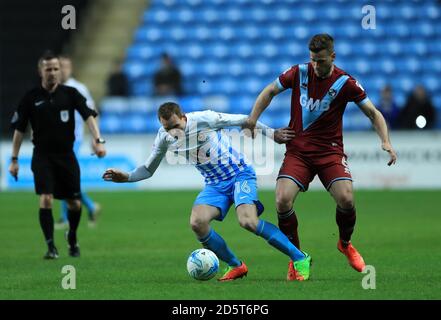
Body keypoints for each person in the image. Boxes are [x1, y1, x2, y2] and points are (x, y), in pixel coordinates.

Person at [243, 34, 397, 277]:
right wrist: (252, 119)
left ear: (332, 57)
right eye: (313, 60)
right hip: (298, 152)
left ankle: (345, 244)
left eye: (321, 61)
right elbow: (269, 91)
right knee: (282, 200)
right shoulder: (298, 72)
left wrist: (386, 141)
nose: (316, 65)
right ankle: (296, 257)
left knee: (346, 199)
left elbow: (373, 113)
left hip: (329, 152)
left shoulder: (346, 83)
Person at [102, 102, 312, 281]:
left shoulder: (205, 119)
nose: (172, 132)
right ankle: (236, 265)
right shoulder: (163, 138)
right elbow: (148, 169)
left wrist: (272, 133)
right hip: (214, 184)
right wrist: (127, 177)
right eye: (167, 129)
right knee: (197, 223)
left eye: (175, 126)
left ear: (183, 118)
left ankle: (300, 257)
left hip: (239, 174)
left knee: (247, 221)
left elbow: (243, 120)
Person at [8, 51, 106, 259]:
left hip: (66, 156)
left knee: (74, 203)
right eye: (48, 69)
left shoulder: (70, 94)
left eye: (55, 69)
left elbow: (89, 116)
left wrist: (98, 141)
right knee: (46, 198)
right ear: (40, 71)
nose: (52, 73)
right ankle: (51, 246)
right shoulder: (31, 98)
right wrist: (14, 159)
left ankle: (72, 237)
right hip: (42, 156)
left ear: (60, 71)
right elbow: (19, 130)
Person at [56, 55, 102, 229]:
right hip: (56, 140)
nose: (63, 69)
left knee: (64, 176)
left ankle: (66, 216)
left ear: (71, 68)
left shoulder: (78, 88)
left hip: (73, 139)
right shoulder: (53, 88)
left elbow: (92, 112)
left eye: (66, 66)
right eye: (60, 66)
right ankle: (89, 207)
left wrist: (96, 138)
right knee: (64, 177)